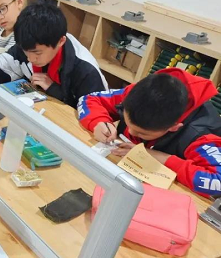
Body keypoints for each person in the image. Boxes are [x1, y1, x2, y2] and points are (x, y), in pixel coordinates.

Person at [0, 1, 107, 108]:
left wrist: (55, 90)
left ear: (60, 41)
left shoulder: (86, 71)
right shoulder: (26, 46)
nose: (30, 59)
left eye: (37, 53)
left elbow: (97, 114)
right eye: (26, 52)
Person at [78, 68, 221, 196]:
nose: (131, 132)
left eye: (142, 133)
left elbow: (217, 181)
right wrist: (98, 121)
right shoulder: (138, 95)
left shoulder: (201, 136)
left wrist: (157, 156)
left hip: (159, 196)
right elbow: (90, 98)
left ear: (174, 127)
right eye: (127, 123)